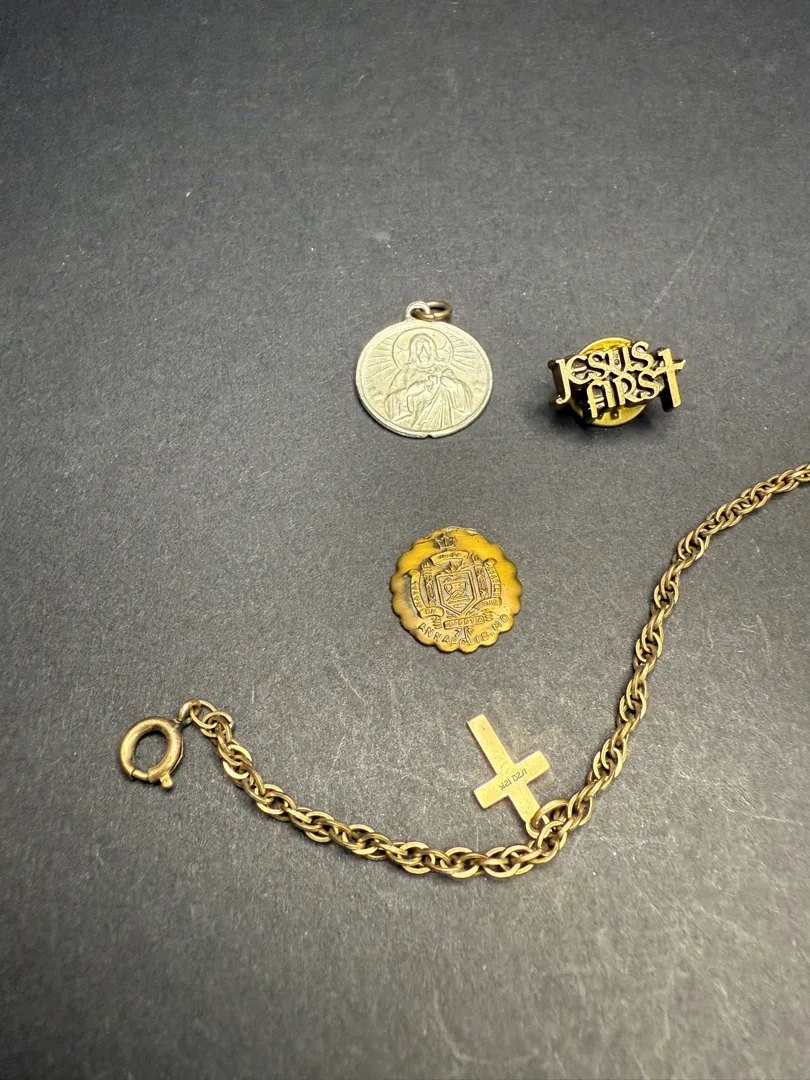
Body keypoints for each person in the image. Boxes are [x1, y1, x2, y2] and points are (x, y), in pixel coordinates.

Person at [384, 333, 472, 430]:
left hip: (443, 418)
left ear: (432, 350)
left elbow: (463, 394)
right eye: (419, 348)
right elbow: (390, 402)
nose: (423, 352)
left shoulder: (443, 369)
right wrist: (409, 392)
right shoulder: (406, 372)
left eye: (427, 348)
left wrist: (454, 385)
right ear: (413, 351)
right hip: (416, 419)